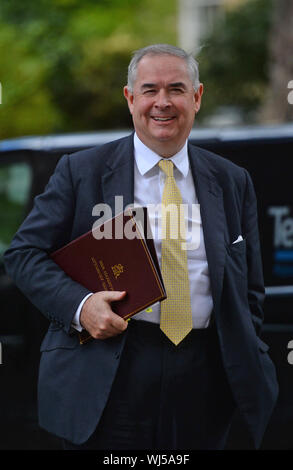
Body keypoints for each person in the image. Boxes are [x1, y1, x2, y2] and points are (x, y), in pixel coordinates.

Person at [4, 44, 278, 450]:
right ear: (130, 98)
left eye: (176, 89)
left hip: (207, 378)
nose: (162, 102)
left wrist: (249, 352)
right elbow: (23, 255)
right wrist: (82, 307)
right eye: (149, 90)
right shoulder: (82, 172)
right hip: (112, 370)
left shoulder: (232, 180)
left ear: (197, 97)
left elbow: (250, 288)